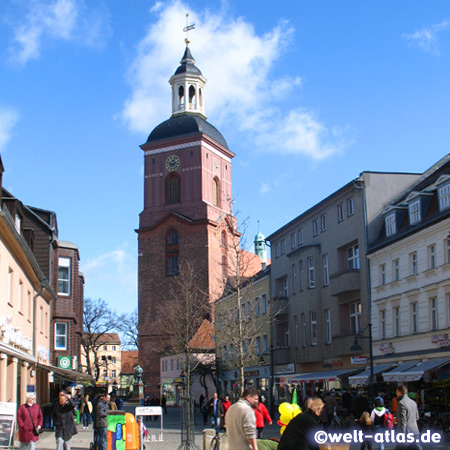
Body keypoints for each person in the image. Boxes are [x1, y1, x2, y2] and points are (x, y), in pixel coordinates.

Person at [395, 385, 421, 450]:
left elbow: (403, 421)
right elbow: (417, 417)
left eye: (396, 392)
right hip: (414, 431)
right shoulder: (413, 402)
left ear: (399, 392)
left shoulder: (401, 403)